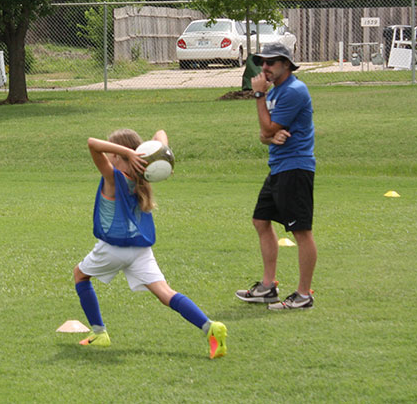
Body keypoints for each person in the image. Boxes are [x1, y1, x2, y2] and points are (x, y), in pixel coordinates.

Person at [73, 128, 227, 359]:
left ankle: (100, 333)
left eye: (113, 151)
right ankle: (209, 327)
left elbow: (92, 143)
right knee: (166, 293)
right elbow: (160, 133)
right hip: (140, 249)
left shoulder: (113, 177)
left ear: (116, 156)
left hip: (113, 249)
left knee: (80, 275)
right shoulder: (143, 176)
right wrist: (157, 154)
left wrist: (127, 151)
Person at [236, 41, 317, 310]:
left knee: (300, 231)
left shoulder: (293, 90)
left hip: (295, 167)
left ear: (286, 63)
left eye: (270, 62)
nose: (264, 68)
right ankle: (268, 286)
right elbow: (264, 135)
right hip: (279, 167)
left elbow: (268, 126)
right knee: (260, 220)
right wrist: (270, 136)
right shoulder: (277, 92)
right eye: (262, 63)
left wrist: (258, 97)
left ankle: (304, 294)